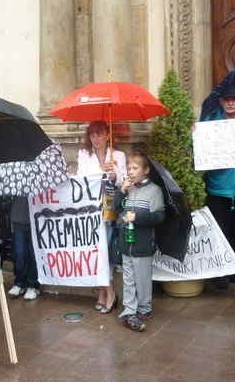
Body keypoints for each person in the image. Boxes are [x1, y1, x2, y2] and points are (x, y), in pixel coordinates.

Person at [202, 85, 235, 288]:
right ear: (221, 101)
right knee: (219, 233)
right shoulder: (209, 122)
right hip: (217, 187)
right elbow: (199, 148)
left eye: (234, 98)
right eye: (226, 99)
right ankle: (219, 275)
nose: (230, 102)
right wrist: (194, 134)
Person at [76, 120, 126, 314]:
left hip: (109, 207)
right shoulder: (83, 154)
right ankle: (105, 291)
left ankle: (108, 292)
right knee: (96, 249)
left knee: (107, 247)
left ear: (107, 135)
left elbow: (123, 182)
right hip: (90, 209)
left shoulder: (118, 155)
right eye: (92, 135)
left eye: (100, 134)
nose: (96, 138)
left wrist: (114, 174)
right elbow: (82, 178)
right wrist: (100, 170)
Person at [114, 148, 165, 332]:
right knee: (128, 277)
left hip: (143, 243)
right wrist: (121, 191)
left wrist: (138, 218)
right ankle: (129, 310)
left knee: (142, 279)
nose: (130, 171)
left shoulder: (154, 191)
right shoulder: (127, 188)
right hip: (125, 242)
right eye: (129, 167)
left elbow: (159, 217)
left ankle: (144, 307)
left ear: (146, 170)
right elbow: (116, 209)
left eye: (135, 168)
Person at [7, 196, 40, 300]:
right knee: (19, 254)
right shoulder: (16, 182)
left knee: (33, 255)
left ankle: (32, 285)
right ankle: (20, 283)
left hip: (35, 220)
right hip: (18, 220)